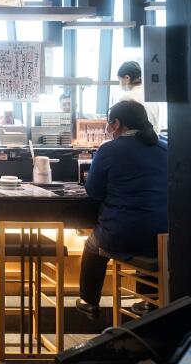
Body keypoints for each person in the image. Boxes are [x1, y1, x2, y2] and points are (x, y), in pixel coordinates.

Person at [76, 100, 167, 321]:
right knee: (150, 245)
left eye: (109, 124)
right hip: (165, 235)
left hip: (122, 234)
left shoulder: (109, 150)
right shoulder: (165, 146)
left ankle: (89, 301)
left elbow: (94, 191)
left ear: (116, 124)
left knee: (92, 245)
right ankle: (150, 302)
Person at [117, 61, 160, 132]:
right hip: (154, 140)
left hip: (136, 140)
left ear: (127, 78)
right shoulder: (151, 95)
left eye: (119, 80)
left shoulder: (127, 97)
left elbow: (120, 127)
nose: (120, 84)